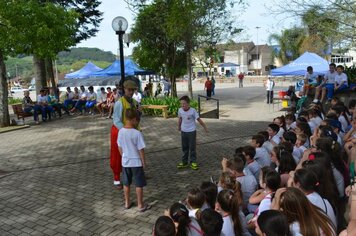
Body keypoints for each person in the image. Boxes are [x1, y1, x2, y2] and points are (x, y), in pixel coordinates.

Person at [110, 80, 140, 189]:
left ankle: (134, 174)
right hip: (119, 131)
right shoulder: (119, 103)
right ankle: (117, 178)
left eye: (133, 90)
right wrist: (125, 131)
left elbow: (136, 119)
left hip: (130, 131)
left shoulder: (135, 102)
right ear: (124, 89)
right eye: (129, 90)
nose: (131, 92)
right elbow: (116, 120)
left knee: (133, 152)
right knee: (118, 154)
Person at [117, 108, 149, 212]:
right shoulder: (137, 133)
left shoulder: (121, 131)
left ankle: (127, 203)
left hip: (125, 162)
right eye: (137, 121)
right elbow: (141, 149)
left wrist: (123, 156)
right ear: (134, 119)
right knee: (139, 184)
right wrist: (144, 162)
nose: (137, 123)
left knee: (126, 183)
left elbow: (119, 146)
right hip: (136, 162)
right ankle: (140, 205)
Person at [271, 187, 336, 236]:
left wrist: (273, 211)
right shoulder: (318, 213)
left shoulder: (294, 229)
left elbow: (269, 224)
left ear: (286, 211)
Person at [177, 95, 208, 170]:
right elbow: (180, 119)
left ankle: (193, 162)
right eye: (181, 104)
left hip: (192, 131)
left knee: (192, 147)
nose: (182, 105)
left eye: (184, 104)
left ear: (188, 104)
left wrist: (205, 127)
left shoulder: (193, 111)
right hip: (183, 131)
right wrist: (179, 126)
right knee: (185, 147)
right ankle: (184, 162)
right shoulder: (180, 110)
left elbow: (199, 120)